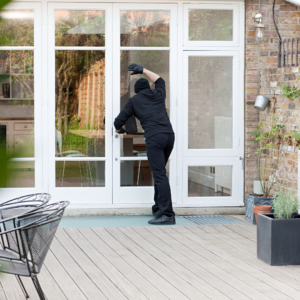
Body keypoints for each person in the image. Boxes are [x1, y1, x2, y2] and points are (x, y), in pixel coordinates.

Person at [114, 63, 175, 225]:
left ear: (135, 91)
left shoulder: (134, 101)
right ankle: (158, 208)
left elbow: (118, 121)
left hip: (155, 138)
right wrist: (143, 70)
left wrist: (120, 130)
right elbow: (160, 80)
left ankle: (168, 215)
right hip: (169, 136)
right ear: (148, 87)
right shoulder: (158, 94)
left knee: (160, 175)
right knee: (160, 173)